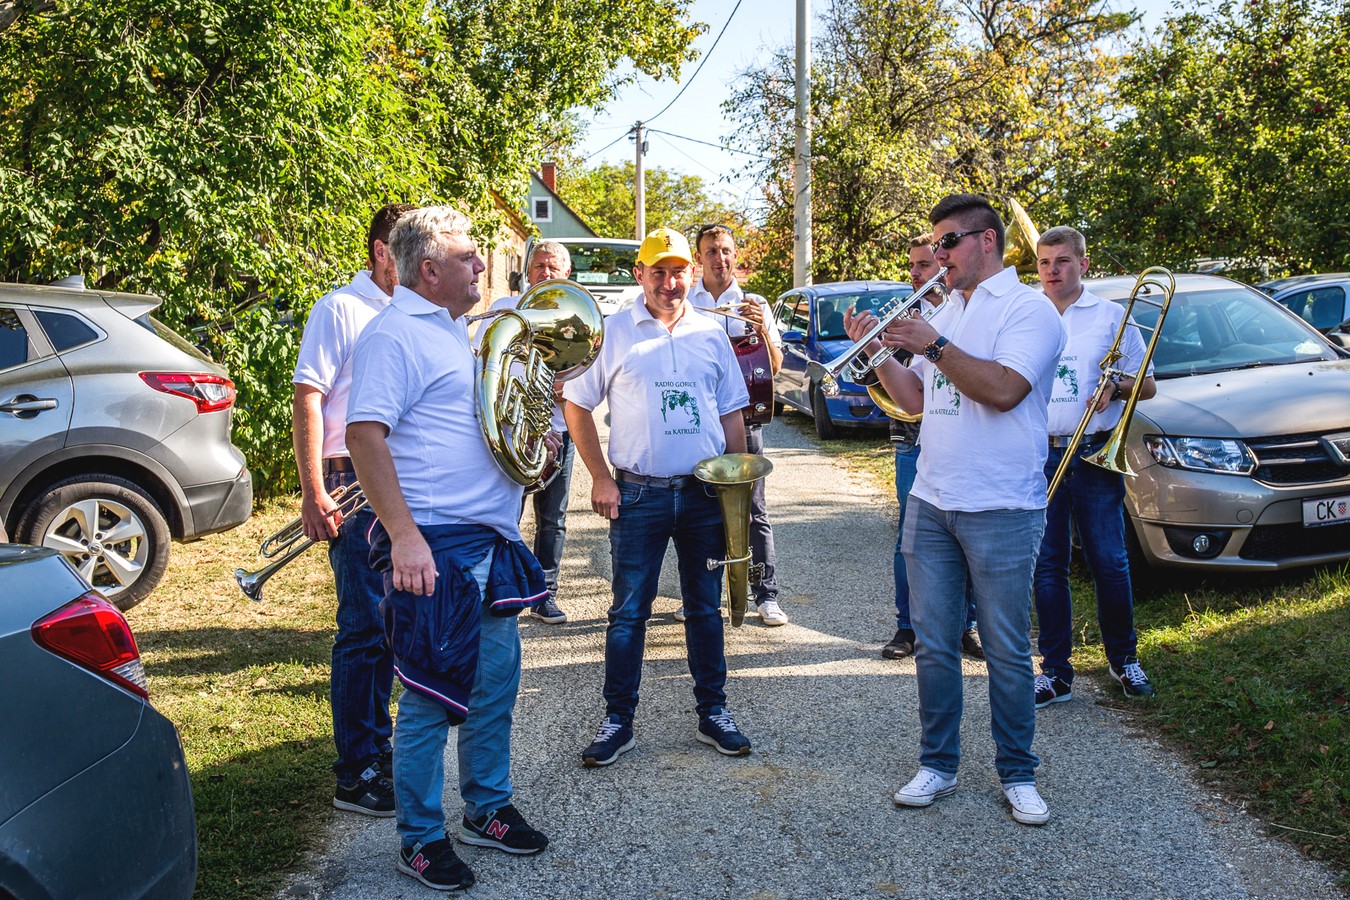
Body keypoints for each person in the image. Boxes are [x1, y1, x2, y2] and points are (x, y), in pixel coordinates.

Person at [346, 206, 555, 892]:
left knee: (494, 688)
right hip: (435, 546)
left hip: (488, 542)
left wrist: (536, 450)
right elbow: (365, 437)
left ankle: (486, 810)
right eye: (469, 256)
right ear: (429, 270)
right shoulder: (394, 336)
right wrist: (405, 537)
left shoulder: (458, 334)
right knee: (432, 699)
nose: (482, 266)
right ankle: (421, 837)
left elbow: (483, 428)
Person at [844, 194, 1065, 826]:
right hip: (932, 498)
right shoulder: (949, 310)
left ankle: (1018, 774)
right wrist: (881, 352)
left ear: (987, 241)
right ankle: (937, 765)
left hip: (1001, 503)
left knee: (1004, 645)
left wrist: (933, 343)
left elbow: (1003, 391)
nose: (937, 257)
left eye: (948, 243)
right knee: (935, 644)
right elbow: (914, 401)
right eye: (934, 245)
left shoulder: (1031, 310)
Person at [564, 226, 752, 768]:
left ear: (692, 274)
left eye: (678, 272)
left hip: (703, 494)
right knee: (628, 613)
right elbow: (576, 404)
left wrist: (736, 486)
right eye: (659, 272)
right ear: (639, 275)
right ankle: (617, 720)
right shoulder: (612, 332)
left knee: (704, 610)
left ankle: (713, 713)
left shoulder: (712, 333)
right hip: (638, 494)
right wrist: (600, 477)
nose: (670, 283)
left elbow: (731, 412)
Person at [292, 202, 412, 818]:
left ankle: (380, 748)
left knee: (393, 626)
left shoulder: (411, 312)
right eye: (409, 245)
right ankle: (356, 770)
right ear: (380, 251)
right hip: (350, 479)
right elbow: (309, 397)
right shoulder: (341, 307)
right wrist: (313, 490)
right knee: (363, 629)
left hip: (399, 479)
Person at [1032, 225, 1157, 707]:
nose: (1051, 271)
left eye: (1061, 261)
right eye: (1044, 263)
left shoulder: (1111, 317)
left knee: (1110, 561)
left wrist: (1116, 388)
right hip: (1038, 453)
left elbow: (1146, 386)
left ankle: (1124, 661)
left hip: (1094, 451)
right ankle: (1055, 673)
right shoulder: (1028, 313)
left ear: (1083, 264)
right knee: (1048, 565)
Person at [880, 236, 982, 662]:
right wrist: (873, 348)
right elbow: (902, 391)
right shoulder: (906, 317)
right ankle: (908, 626)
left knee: (971, 536)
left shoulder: (965, 313)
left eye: (925, 264)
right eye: (913, 267)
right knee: (912, 539)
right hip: (912, 440)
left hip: (961, 440)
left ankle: (967, 625)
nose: (919, 273)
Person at [689, 222, 788, 627]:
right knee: (697, 511)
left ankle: (766, 594)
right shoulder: (686, 301)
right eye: (711, 251)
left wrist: (762, 330)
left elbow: (776, 368)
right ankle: (704, 594)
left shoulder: (754, 302)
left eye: (726, 250)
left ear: (736, 255)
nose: (720, 258)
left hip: (743, 421)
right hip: (697, 422)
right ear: (699, 258)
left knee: (754, 510)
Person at [480, 240, 577, 625]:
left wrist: (568, 386)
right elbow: (482, 363)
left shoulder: (575, 318)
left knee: (553, 517)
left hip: (556, 429)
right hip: (510, 430)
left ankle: (545, 593)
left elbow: (589, 372)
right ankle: (502, 587)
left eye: (553, 268)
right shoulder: (504, 309)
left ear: (566, 274)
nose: (546, 274)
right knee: (507, 512)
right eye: (539, 266)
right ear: (527, 270)